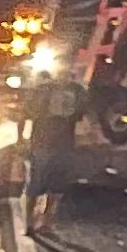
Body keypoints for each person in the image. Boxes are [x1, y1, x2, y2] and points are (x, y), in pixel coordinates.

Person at [26, 77, 90, 236]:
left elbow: (82, 114)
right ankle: (29, 222)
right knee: (37, 183)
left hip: (63, 141)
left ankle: (46, 222)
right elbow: (29, 113)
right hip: (43, 141)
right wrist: (23, 140)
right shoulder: (43, 89)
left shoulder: (77, 90)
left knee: (56, 185)